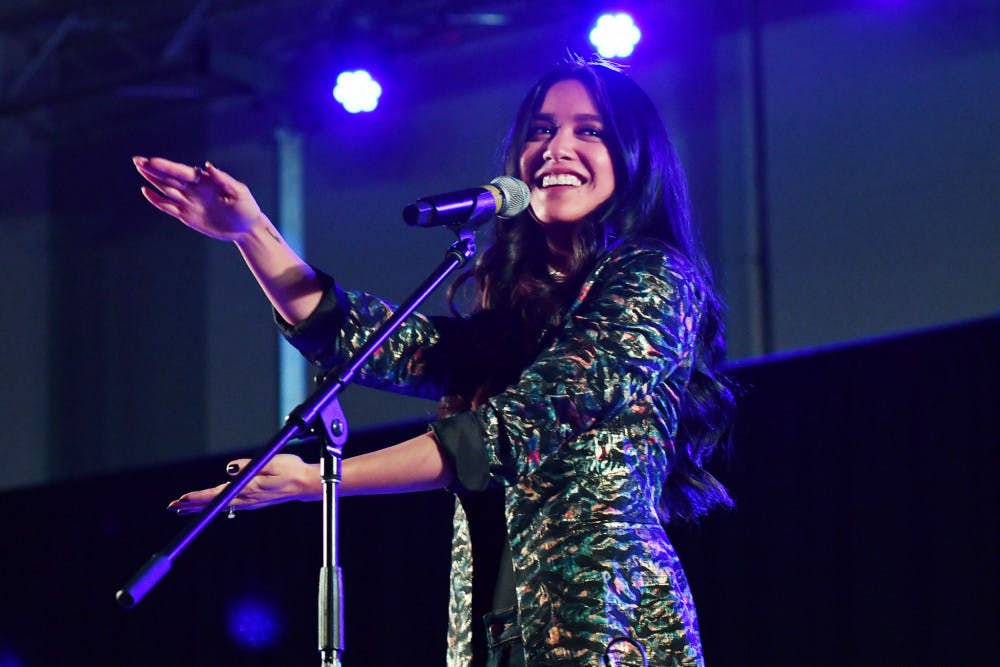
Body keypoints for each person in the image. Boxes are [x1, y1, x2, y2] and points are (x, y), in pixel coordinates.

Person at [137, 56, 735, 667]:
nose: (556, 147)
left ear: (635, 159)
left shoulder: (656, 280)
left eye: (590, 131)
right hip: (493, 633)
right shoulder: (517, 317)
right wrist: (251, 233)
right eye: (541, 129)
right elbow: (376, 341)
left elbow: (508, 430)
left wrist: (320, 483)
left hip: (604, 630)